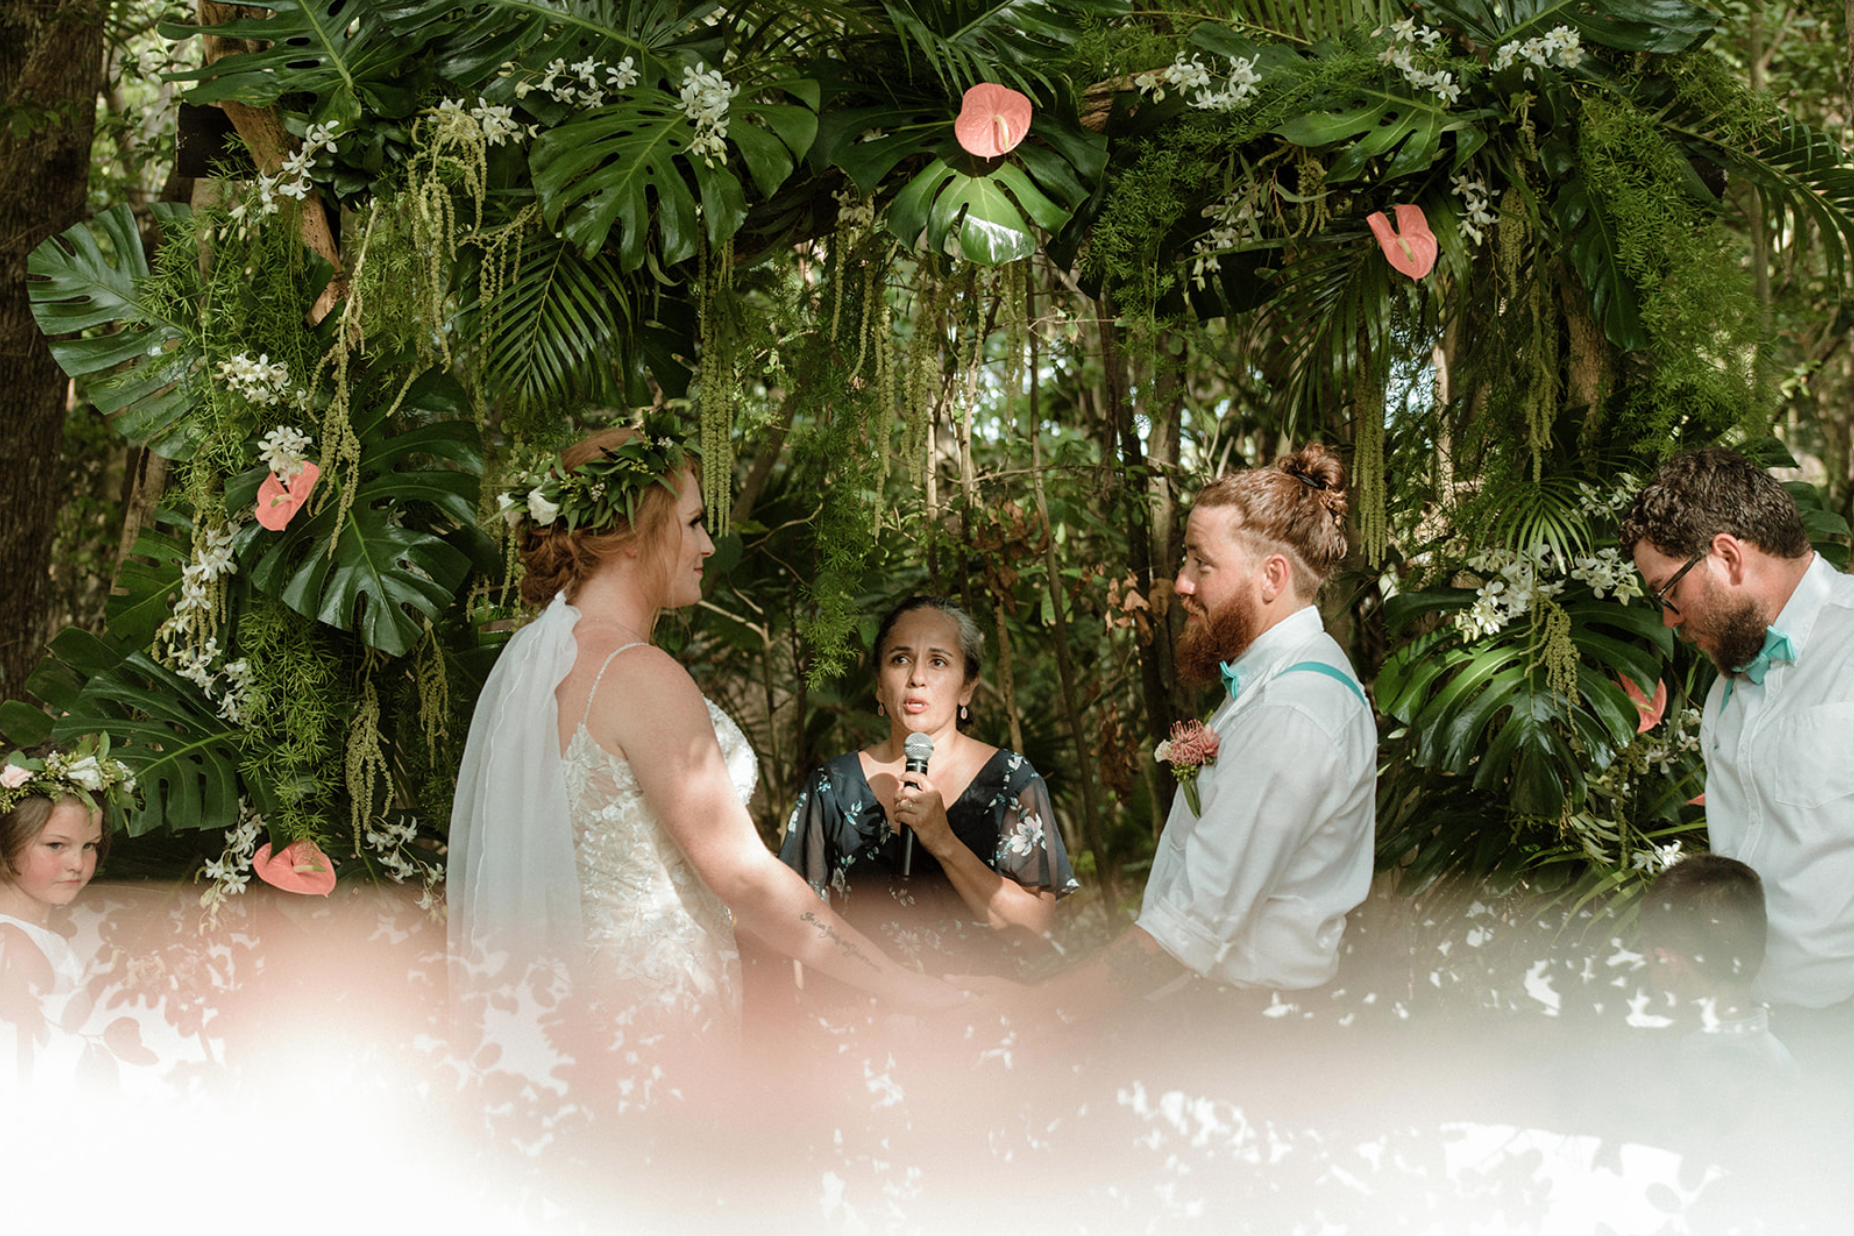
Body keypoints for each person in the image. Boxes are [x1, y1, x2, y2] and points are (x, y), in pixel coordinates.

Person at [447, 423, 962, 1069]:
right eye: (692, 524)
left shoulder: (536, 662)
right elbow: (742, 878)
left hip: (564, 1014)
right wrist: (903, 984)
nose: (708, 544)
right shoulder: (640, 674)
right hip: (648, 1024)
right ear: (636, 536)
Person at [998, 443, 1376, 1019]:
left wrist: (1036, 1012)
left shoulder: (1292, 713)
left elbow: (1191, 929)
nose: (1180, 584)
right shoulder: (1268, 686)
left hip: (1248, 1036)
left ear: (1270, 577)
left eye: (1201, 563)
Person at [1619, 448, 1854, 1020]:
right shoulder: (1728, 684)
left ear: (1726, 555)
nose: (1669, 619)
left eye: (1667, 592)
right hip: (1750, 1020)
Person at [779, 596, 1078, 979]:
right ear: (878, 687)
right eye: (900, 659)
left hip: (973, 1020)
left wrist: (944, 842)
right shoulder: (833, 786)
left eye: (938, 662)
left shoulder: (1012, 780)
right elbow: (792, 918)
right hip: (861, 1020)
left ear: (967, 688)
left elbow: (1035, 932)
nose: (917, 677)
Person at [0, 737, 133, 1087]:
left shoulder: (38, 936)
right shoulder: (9, 944)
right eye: (55, 845)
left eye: (89, 846)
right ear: (8, 844)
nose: (77, 863)